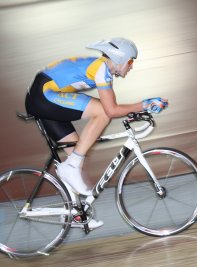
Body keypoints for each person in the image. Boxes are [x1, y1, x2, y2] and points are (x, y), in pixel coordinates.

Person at [25, 38, 168, 228]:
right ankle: (71, 167)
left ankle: (75, 213)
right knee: (100, 113)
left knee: (78, 151)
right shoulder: (102, 70)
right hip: (44, 95)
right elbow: (111, 110)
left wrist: (142, 108)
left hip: (43, 95)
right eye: (131, 61)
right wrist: (144, 104)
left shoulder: (100, 67)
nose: (131, 67)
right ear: (120, 58)